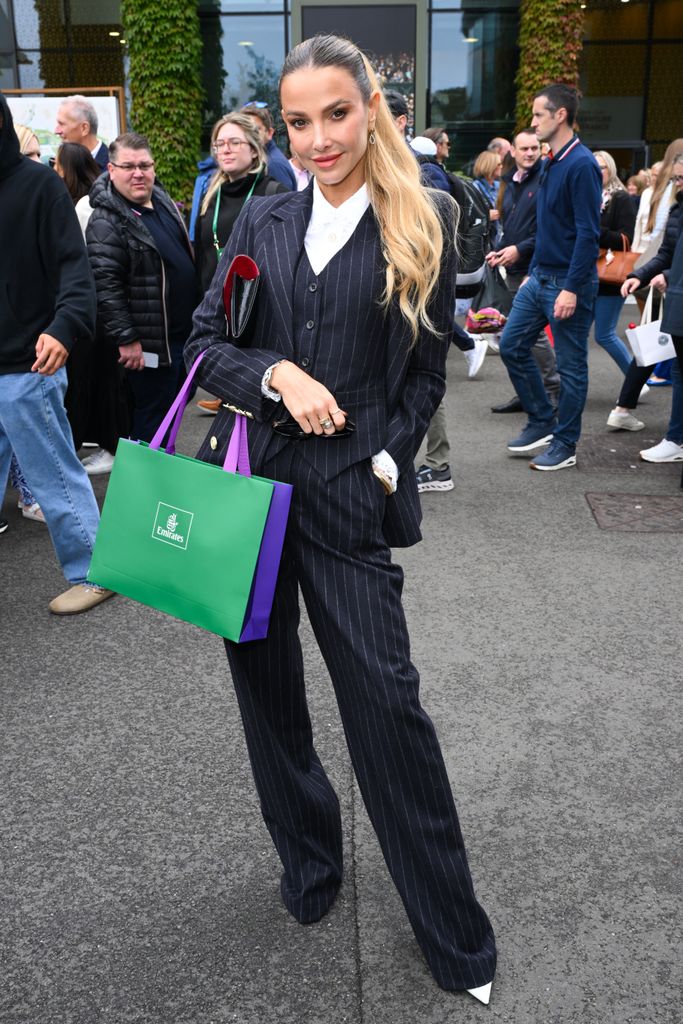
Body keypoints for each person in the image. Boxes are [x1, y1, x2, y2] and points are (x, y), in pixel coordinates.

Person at [184, 33, 496, 1005]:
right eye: (299, 120)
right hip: (252, 494)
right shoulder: (262, 222)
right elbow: (205, 343)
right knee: (268, 702)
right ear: (283, 127)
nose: (319, 137)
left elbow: (421, 379)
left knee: (388, 712)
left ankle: (453, 936)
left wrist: (385, 456)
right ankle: (310, 865)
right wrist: (274, 371)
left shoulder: (422, 223)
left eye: (336, 113)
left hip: (349, 501)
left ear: (371, 109)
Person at [0, 92, 113, 614]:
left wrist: (63, 329)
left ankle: (95, 570)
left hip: (30, 362)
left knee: (53, 471)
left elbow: (76, 269)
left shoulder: (39, 185)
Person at [498, 83, 601, 470]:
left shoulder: (582, 164)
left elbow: (588, 233)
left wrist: (572, 288)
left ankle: (566, 444)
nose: (533, 121)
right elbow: (549, 226)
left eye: (539, 114)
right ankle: (542, 419)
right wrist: (534, 267)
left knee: (572, 367)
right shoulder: (552, 161)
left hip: (567, 283)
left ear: (560, 115)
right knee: (511, 345)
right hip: (540, 276)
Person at [86, 132, 197, 448]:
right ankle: (150, 491)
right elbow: (105, 287)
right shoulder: (106, 220)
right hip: (147, 347)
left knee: (172, 414)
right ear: (111, 169)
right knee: (152, 418)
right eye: (129, 166)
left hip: (180, 337)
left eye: (145, 165)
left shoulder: (160, 200)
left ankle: (166, 479)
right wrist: (128, 340)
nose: (138, 173)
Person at [194, 112, 289, 414]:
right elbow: (205, 252)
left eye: (235, 142)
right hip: (219, 312)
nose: (226, 149)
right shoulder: (213, 193)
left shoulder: (273, 192)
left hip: (258, 317)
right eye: (220, 143)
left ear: (254, 148)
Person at [486, 127, 560, 414]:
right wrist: (501, 247)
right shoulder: (513, 180)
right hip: (516, 268)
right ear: (513, 152)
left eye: (534, 148)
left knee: (529, 336)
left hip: (538, 268)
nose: (530, 153)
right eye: (524, 149)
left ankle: (551, 392)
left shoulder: (545, 179)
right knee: (517, 337)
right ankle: (529, 392)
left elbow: (546, 229)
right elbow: (513, 225)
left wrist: (519, 250)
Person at [621, 160, 683, 463]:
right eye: (674, 179)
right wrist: (639, 275)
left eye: (680, 179)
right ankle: (675, 438)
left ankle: (675, 439)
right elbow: (668, 253)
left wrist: (667, 275)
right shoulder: (677, 210)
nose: (676, 184)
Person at [591, 150, 635, 376]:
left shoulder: (620, 198)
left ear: (611, 169)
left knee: (605, 334)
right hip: (586, 274)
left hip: (610, 276)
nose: (597, 172)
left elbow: (626, 238)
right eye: (593, 167)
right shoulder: (587, 196)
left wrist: (595, 231)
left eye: (602, 167)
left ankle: (635, 380)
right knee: (574, 333)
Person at [241, 103, 296, 191]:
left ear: (269, 133)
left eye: (256, 129)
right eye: (244, 129)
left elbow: (285, 202)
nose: (249, 134)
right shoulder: (261, 159)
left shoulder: (273, 164)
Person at [54, 94, 109, 171]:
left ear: (84, 128)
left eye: (62, 124)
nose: (56, 131)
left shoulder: (113, 168)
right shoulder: (60, 165)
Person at [471, 150, 502, 245]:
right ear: (490, 166)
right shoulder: (475, 187)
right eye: (499, 164)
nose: (501, 167)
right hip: (485, 241)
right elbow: (469, 215)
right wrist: (486, 216)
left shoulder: (500, 186)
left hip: (500, 238)